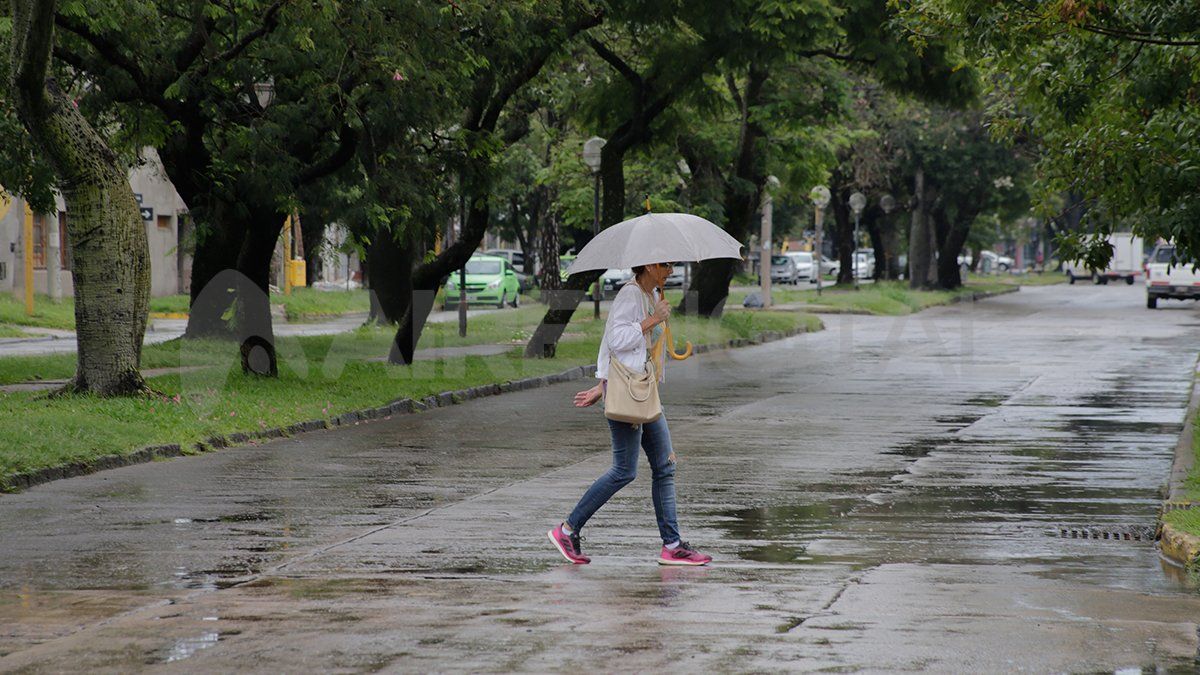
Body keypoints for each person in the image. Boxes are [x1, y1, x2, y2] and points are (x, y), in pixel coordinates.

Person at [547, 261, 712, 566]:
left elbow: (623, 351)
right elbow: (615, 340)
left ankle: (672, 545)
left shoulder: (650, 295)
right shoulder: (630, 295)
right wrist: (652, 320)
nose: (671, 271)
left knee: (665, 466)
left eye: (673, 265)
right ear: (649, 265)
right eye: (666, 265)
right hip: (631, 397)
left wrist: (602, 385)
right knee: (624, 471)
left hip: (644, 392)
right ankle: (567, 530)